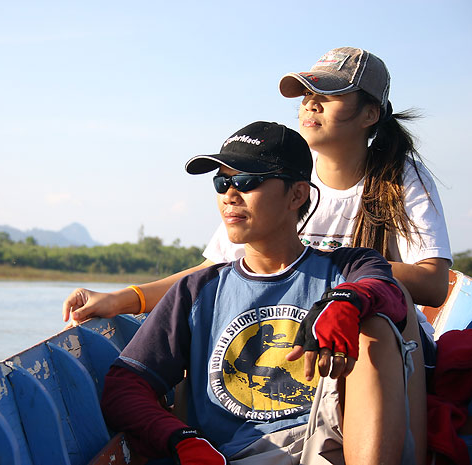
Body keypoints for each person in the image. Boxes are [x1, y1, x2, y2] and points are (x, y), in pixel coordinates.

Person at [101, 121, 419, 464]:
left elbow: (388, 293)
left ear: (297, 195)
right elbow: (124, 386)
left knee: (375, 329)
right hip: (234, 456)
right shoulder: (197, 292)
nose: (229, 195)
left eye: (246, 181)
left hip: (328, 444)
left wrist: (347, 302)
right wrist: (181, 439)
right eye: (222, 182)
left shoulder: (349, 267)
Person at [62, 46, 451, 325]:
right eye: (306, 96)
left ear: (370, 113)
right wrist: (121, 299)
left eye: (328, 96)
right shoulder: (282, 175)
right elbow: (213, 271)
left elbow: (433, 285)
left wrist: (316, 267)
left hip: (376, 332)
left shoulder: (398, 177)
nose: (310, 105)